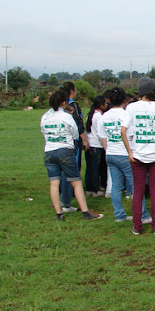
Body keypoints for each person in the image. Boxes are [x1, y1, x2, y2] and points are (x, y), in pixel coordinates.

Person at [40, 90, 102, 221]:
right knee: (76, 182)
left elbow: (43, 132)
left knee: (54, 183)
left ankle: (59, 214)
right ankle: (85, 212)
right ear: (63, 103)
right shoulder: (67, 117)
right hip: (65, 150)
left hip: (49, 151)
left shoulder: (45, 117)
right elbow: (75, 134)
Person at [121, 77, 155, 235]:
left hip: (137, 155)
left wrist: (130, 152)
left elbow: (123, 130)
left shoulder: (131, 108)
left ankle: (137, 226)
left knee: (138, 191)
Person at [99, 87, 151, 224]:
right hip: (126, 155)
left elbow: (103, 137)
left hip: (111, 153)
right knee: (136, 185)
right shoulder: (127, 115)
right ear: (124, 100)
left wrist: (108, 150)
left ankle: (119, 215)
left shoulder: (104, 116)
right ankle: (143, 215)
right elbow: (132, 135)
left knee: (116, 186)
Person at [60, 82, 87, 212]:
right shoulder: (73, 106)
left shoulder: (58, 107)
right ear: (72, 91)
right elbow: (78, 124)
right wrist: (84, 139)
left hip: (59, 142)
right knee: (72, 170)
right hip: (72, 142)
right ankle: (68, 198)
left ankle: (63, 195)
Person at [84, 95, 107, 197]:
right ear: (102, 105)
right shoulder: (99, 117)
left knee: (90, 168)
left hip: (89, 144)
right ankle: (95, 189)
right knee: (95, 169)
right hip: (96, 145)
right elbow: (100, 133)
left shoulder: (90, 115)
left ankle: (89, 188)